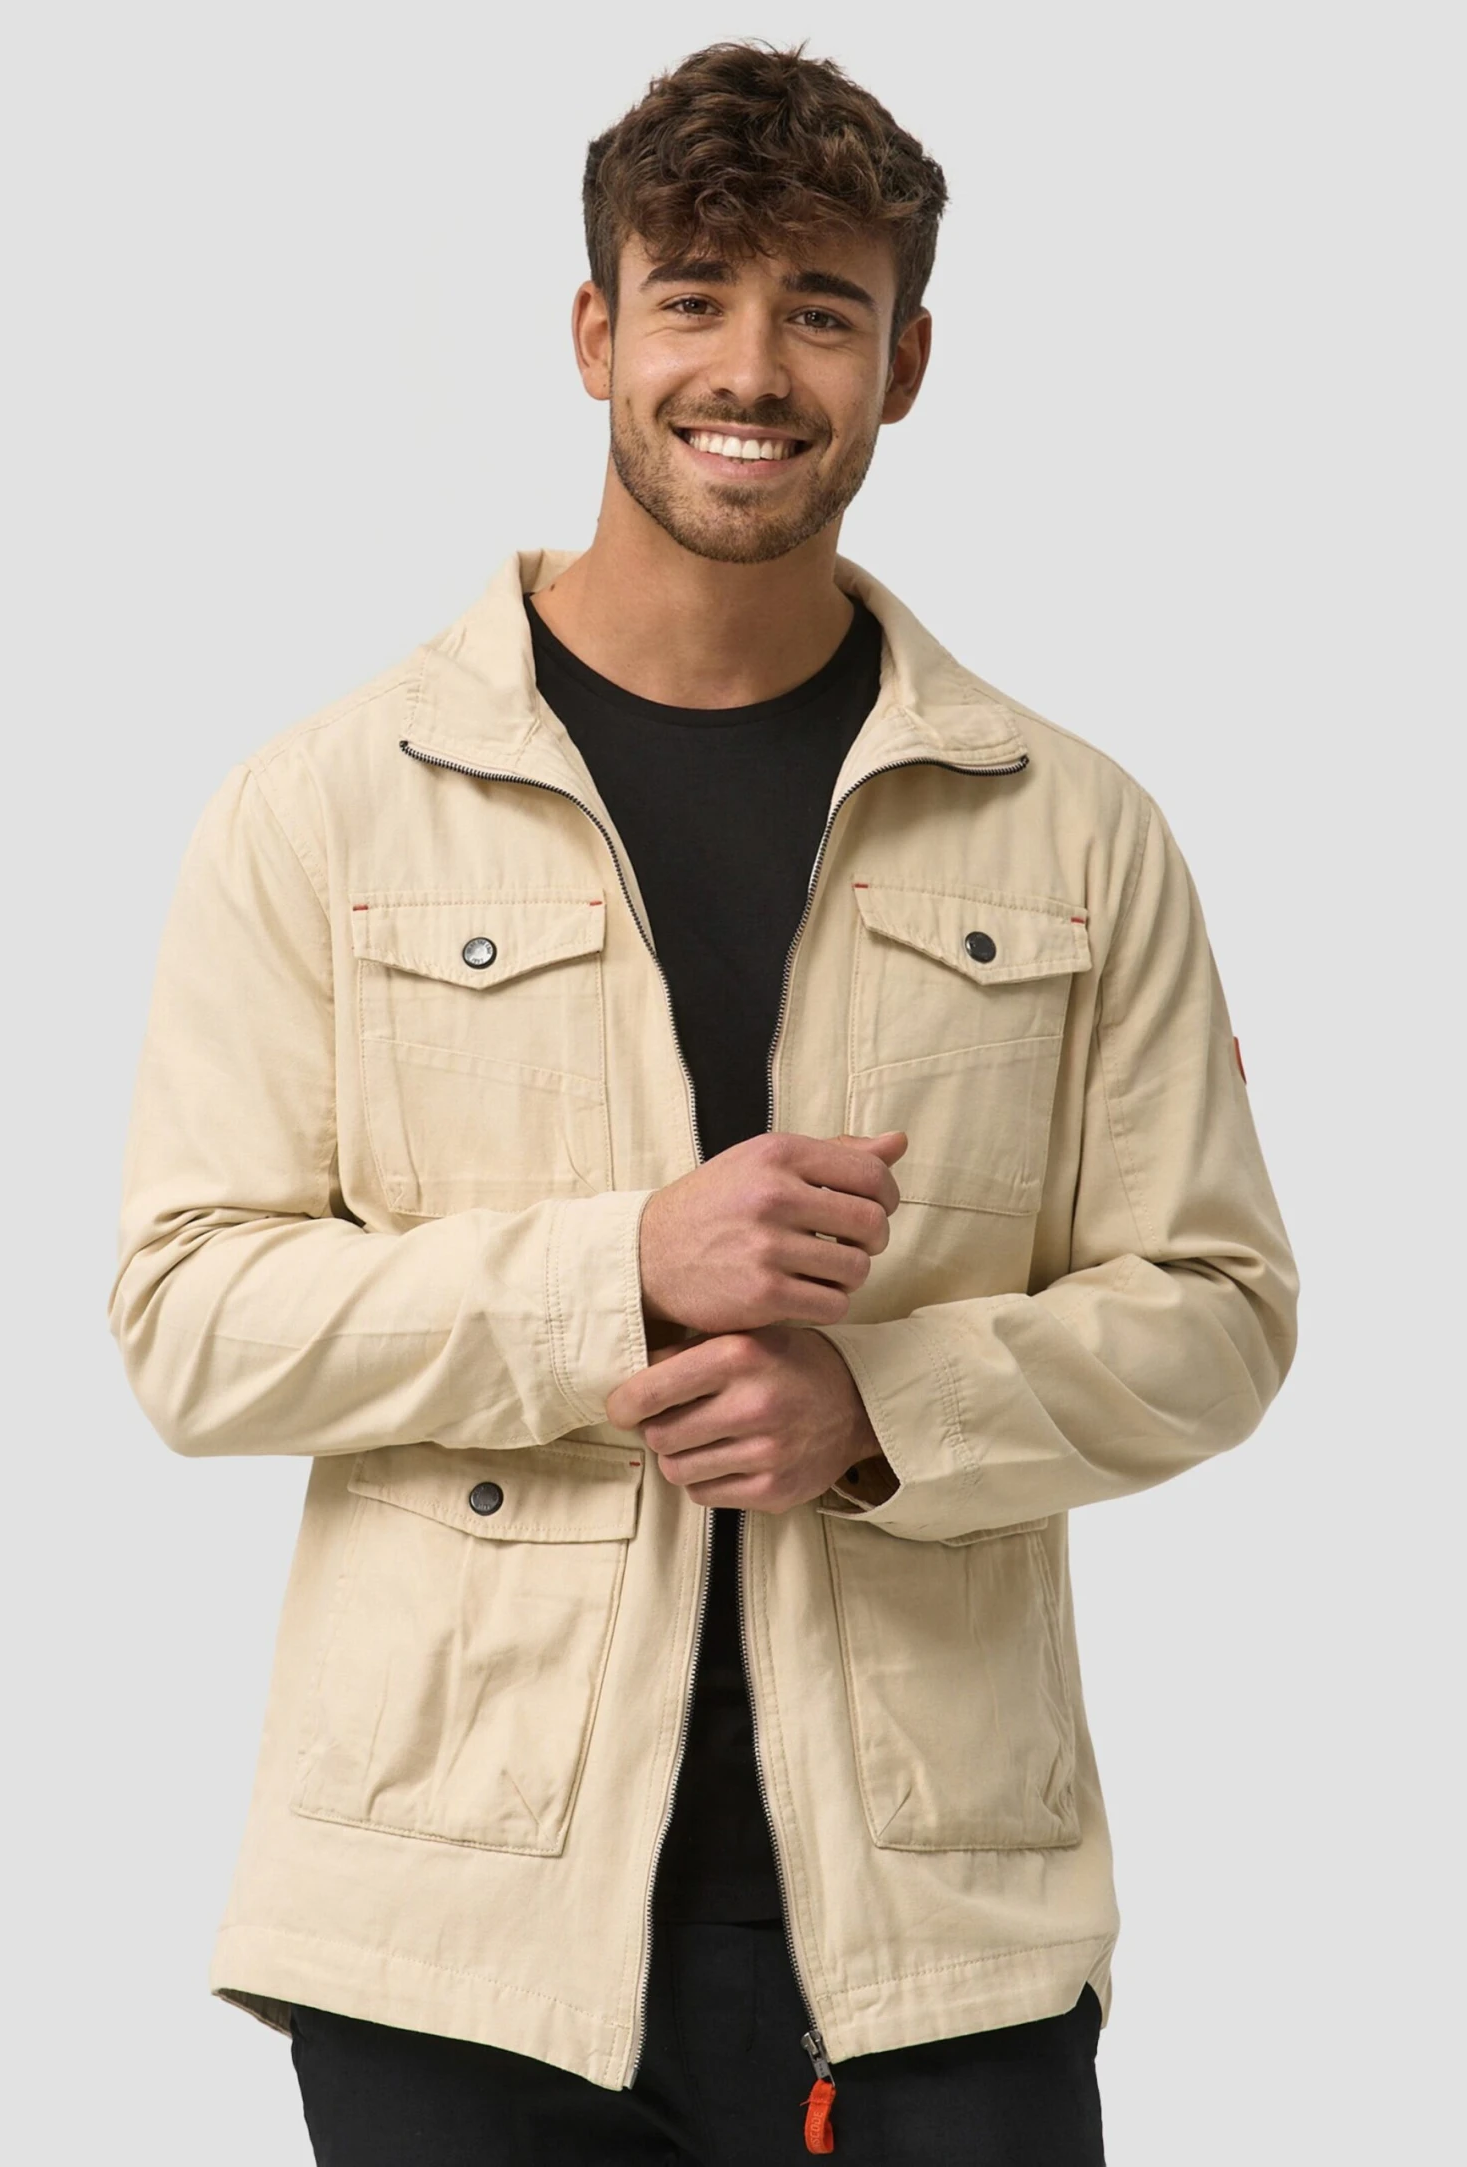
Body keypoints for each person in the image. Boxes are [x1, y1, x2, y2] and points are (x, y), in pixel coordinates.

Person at [110, 39, 1298, 2166]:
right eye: (693, 298)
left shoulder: (1075, 829)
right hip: (453, 1946)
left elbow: (1220, 1310)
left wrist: (882, 1407)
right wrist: (623, 1273)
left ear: (905, 363)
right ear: (595, 333)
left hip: (937, 1940)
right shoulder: (325, 811)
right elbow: (191, 1322)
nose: (751, 369)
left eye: (822, 310)